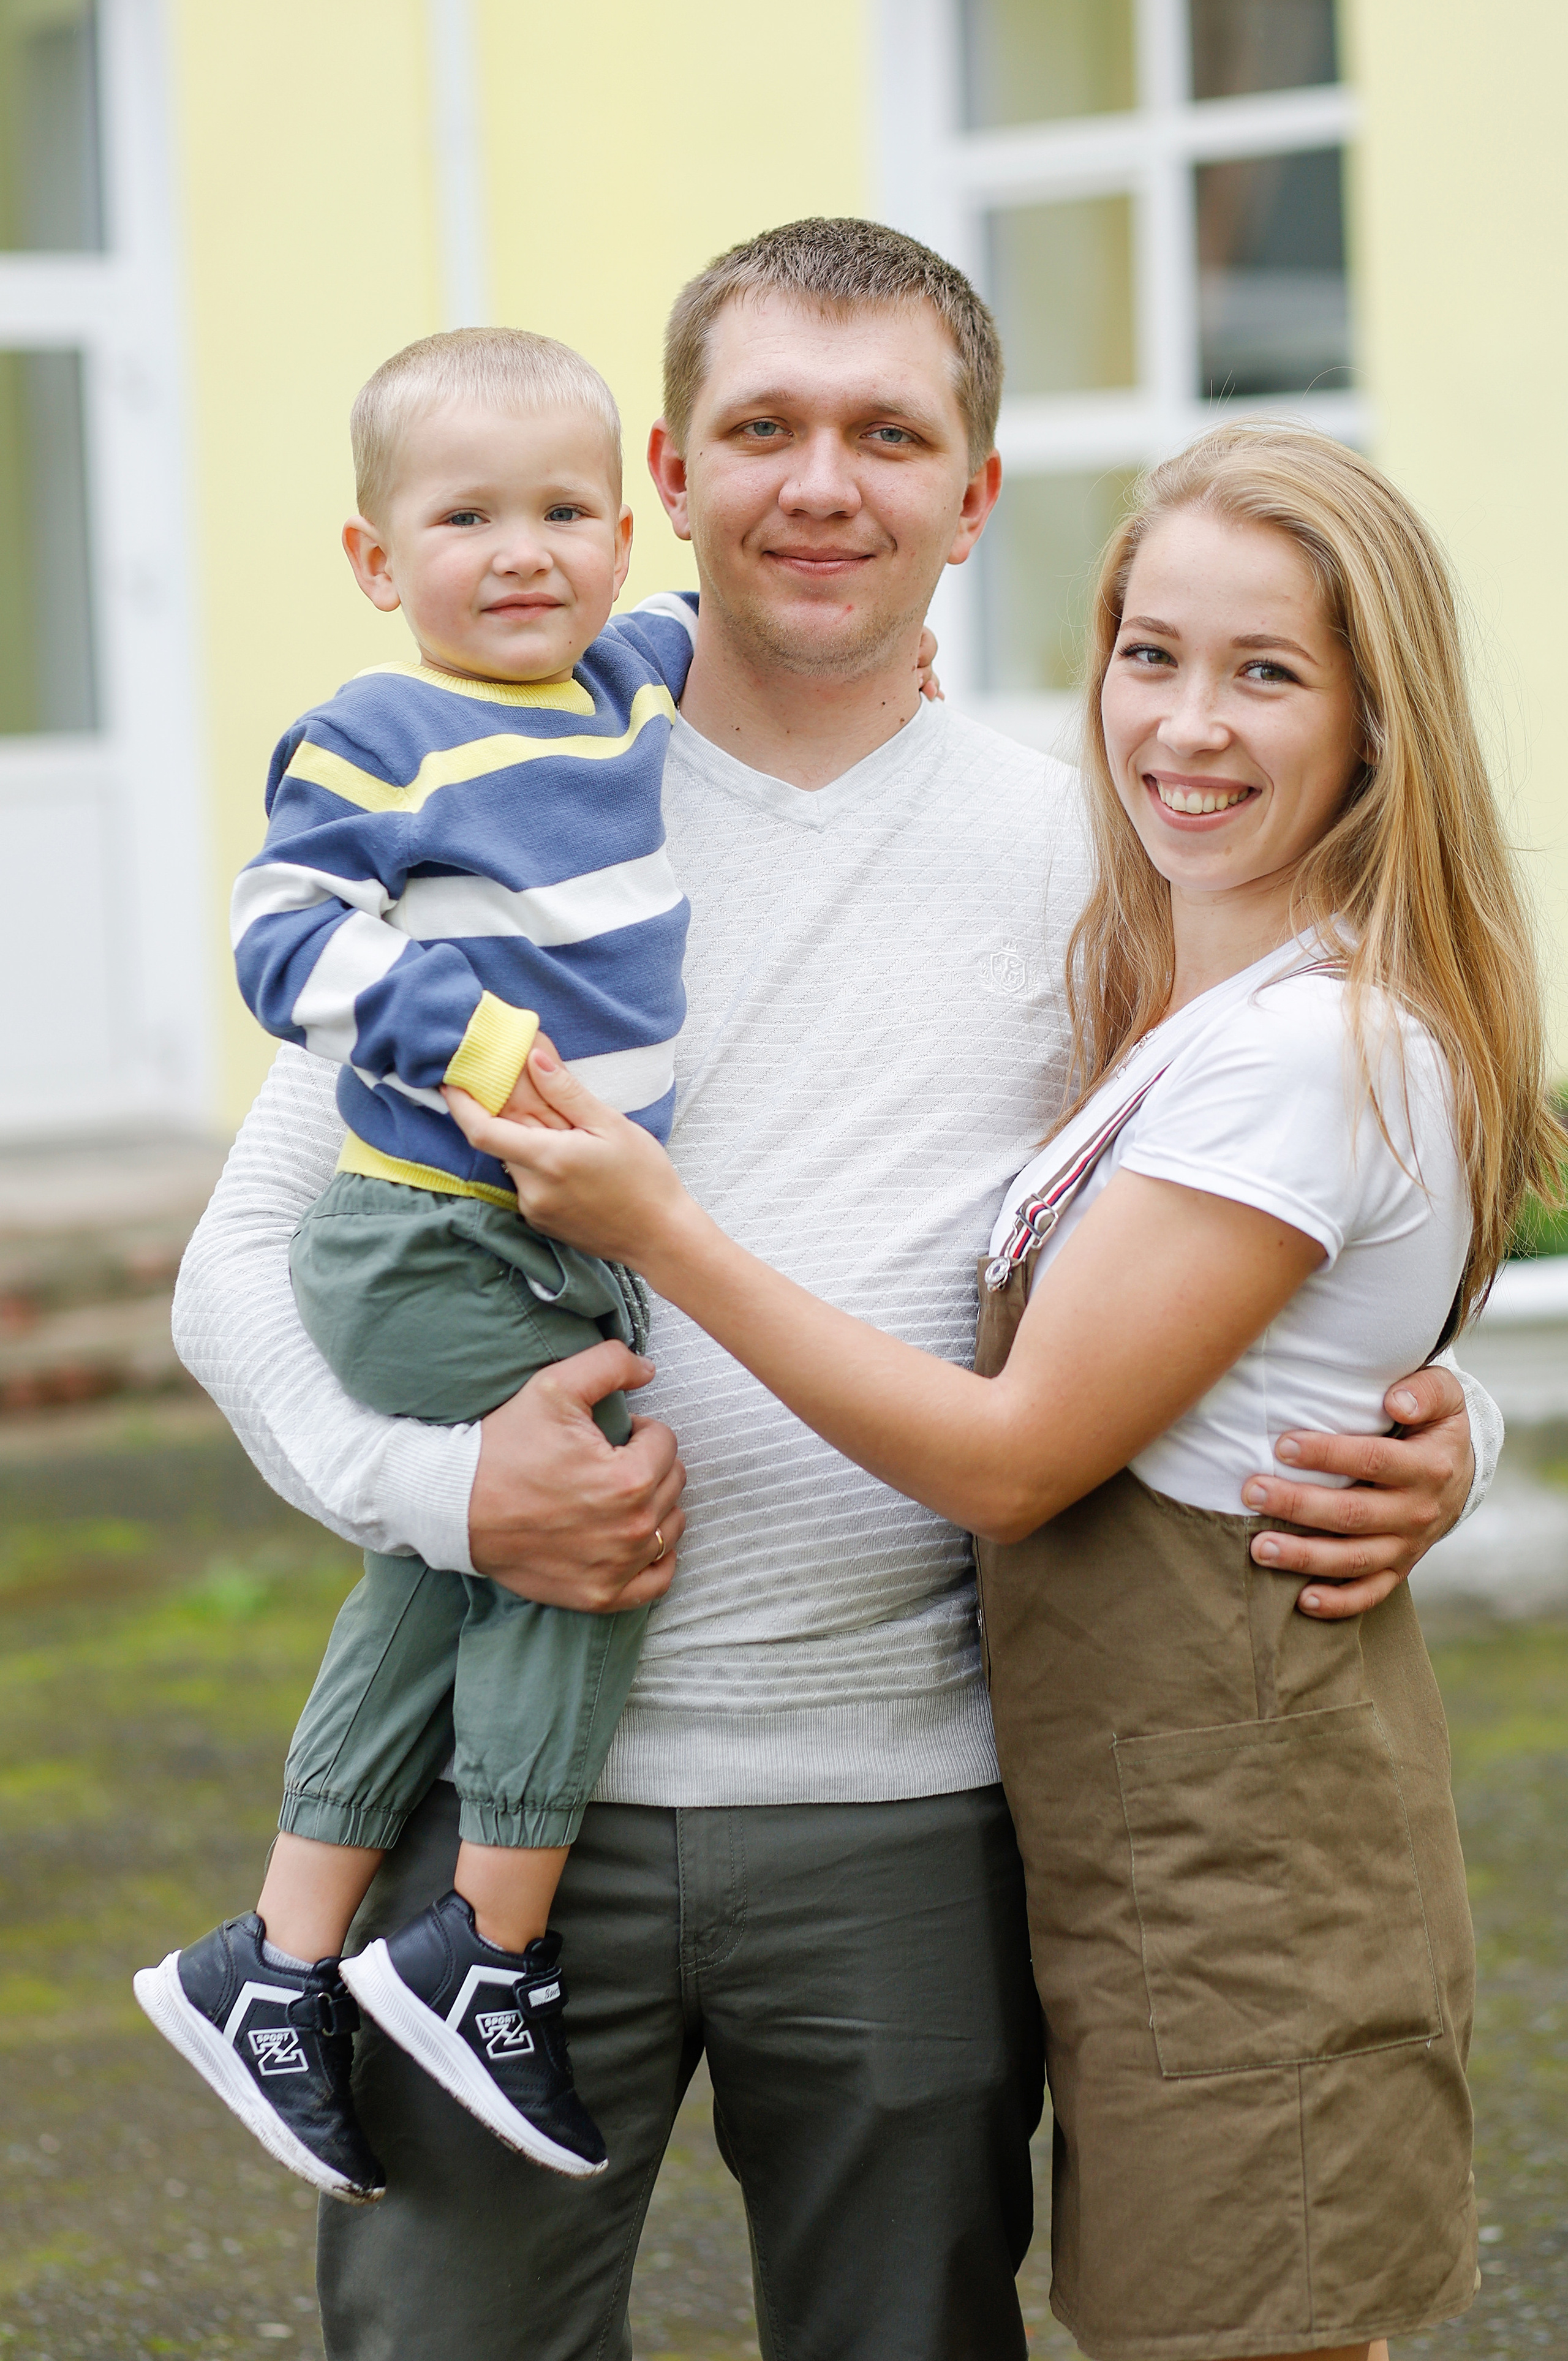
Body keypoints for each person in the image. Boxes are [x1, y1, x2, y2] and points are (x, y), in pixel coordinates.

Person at [173, 222, 1499, 2361]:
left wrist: (1440, 1430)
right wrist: (432, 1496)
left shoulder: (1109, 852)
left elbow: (1292, 1200)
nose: (823, 484)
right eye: (763, 428)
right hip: (512, 1827)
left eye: (891, 435)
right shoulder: (494, 795)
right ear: (664, 483)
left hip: (911, 1809)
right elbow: (240, 1266)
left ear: (975, 497)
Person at [462, 420, 1562, 2361]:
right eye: (1152, 656)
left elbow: (1016, 1461)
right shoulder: (1194, 998)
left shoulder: (1301, 1048)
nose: (1189, 727)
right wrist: (1434, 1407)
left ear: (1380, 722)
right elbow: (1289, 1329)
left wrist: (667, 1223)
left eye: (1269, 672)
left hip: (1248, 1865)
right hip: (1147, 1851)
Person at [137, 328, 709, 2196]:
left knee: (451, 1558)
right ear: (380, 561)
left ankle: (280, 1968)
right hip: (431, 1220)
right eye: (468, 517)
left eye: (564, 511)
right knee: (589, 1526)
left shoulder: (624, 682)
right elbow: (280, 934)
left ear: (623, 534)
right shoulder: (379, 728)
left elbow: (732, 636)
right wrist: (454, 1038)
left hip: (511, 1235)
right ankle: (486, 1950)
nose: (525, 551)